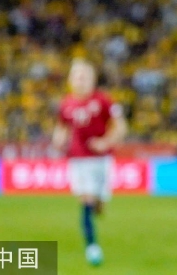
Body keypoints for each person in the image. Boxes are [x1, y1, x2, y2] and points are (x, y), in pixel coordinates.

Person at [52, 59, 127, 267]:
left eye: (85, 77)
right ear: (70, 80)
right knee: (86, 199)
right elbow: (62, 127)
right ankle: (92, 246)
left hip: (101, 159)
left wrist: (106, 142)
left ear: (93, 80)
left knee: (98, 204)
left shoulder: (104, 101)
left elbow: (120, 126)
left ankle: (97, 205)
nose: (81, 81)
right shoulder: (66, 104)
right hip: (78, 159)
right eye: (77, 77)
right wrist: (58, 139)